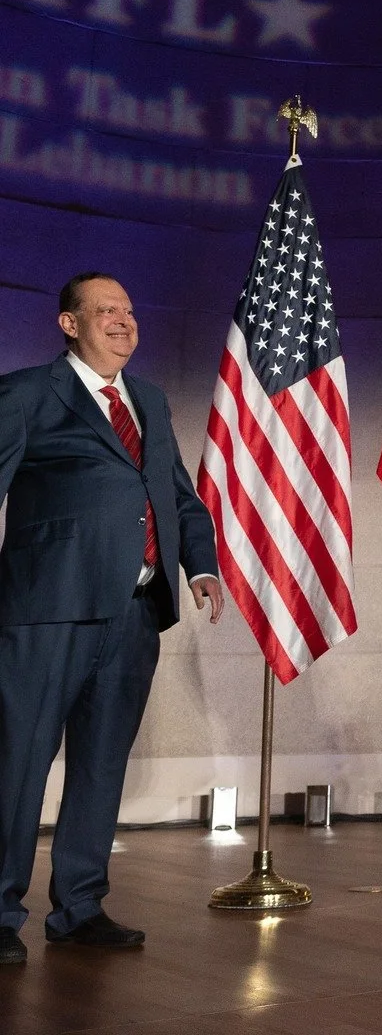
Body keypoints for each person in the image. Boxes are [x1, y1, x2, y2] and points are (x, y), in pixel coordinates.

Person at [0, 273, 224, 963]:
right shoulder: (27, 392)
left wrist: (202, 565)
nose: (124, 321)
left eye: (129, 310)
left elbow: (178, 498)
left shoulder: (150, 401)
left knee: (100, 765)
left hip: (133, 614)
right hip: (46, 610)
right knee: (18, 764)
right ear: (70, 324)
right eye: (106, 311)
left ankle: (80, 907)